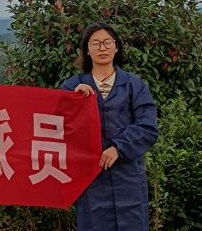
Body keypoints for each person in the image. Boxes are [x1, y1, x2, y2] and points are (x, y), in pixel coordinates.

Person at [60, 23, 158, 231]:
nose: (102, 48)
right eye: (95, 43)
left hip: (128, 176)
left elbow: (147, 126)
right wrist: (74, 101)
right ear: (87, 50)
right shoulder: (72, 86)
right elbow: (59, 125)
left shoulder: (134, 84)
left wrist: (118, 148)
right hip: (91, 178)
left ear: (116, 47)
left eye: (107, 42)